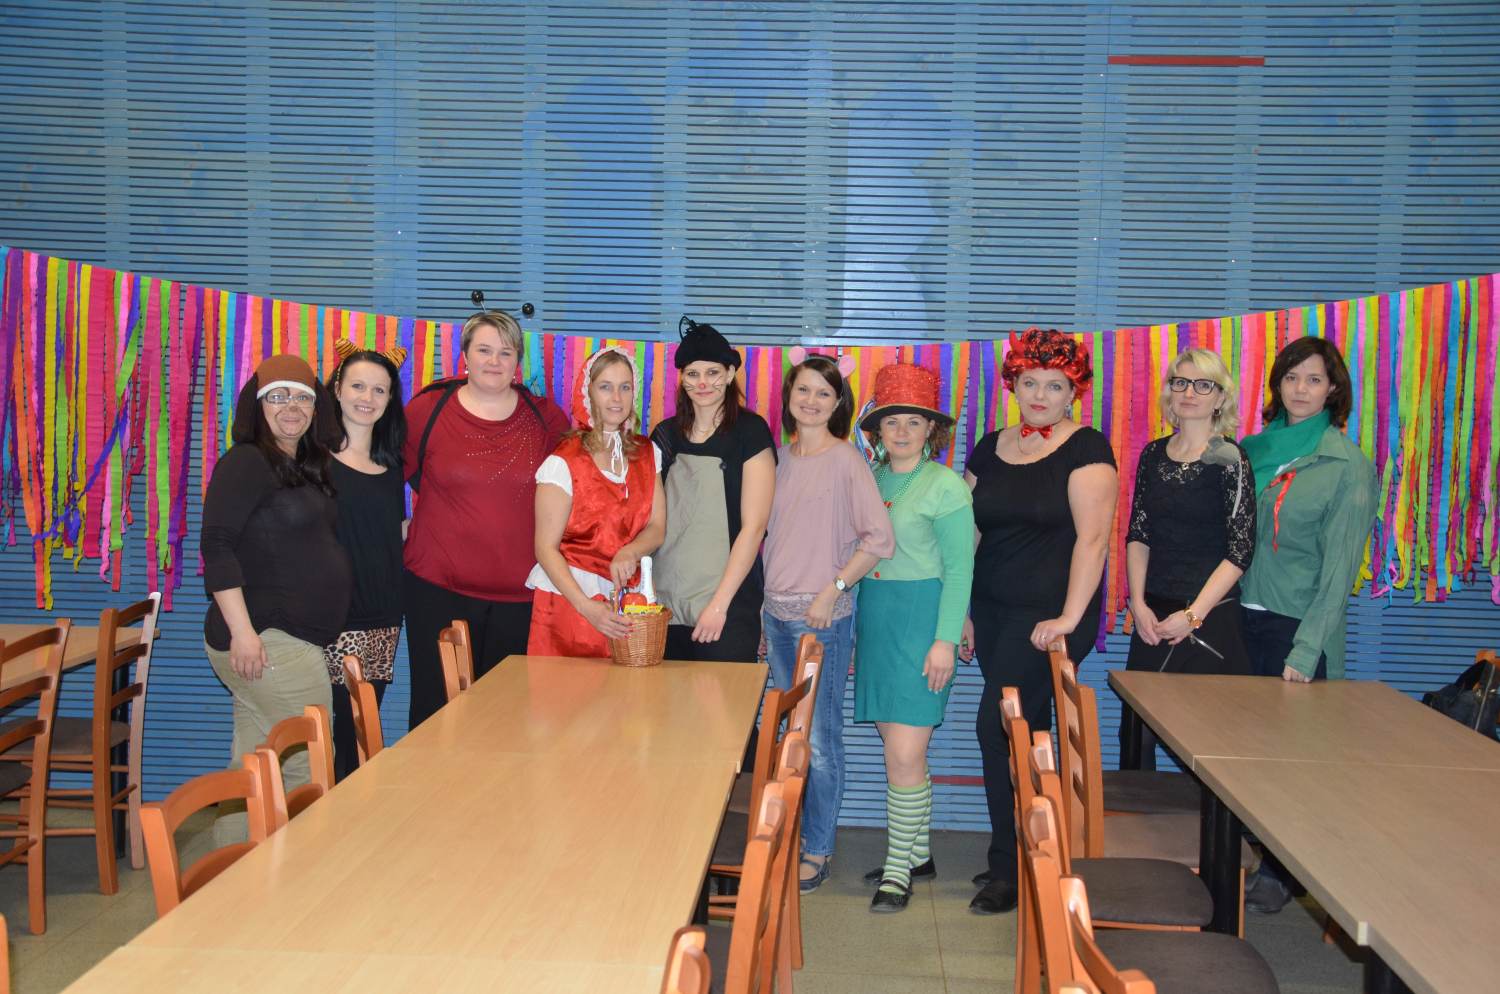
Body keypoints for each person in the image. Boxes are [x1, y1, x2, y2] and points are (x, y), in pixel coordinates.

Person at [961, 328, 1117, 915]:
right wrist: (961, 612)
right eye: (1030, 383)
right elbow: (968, 534)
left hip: (1049, 616)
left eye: (1055, 386)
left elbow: (1093, 540)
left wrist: (1069, 618)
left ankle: (1010, 866)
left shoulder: (1087, 448)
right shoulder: (990, 446)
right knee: (1029, 736)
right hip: (992, 612)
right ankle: (1035, 851)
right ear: (1014, 384)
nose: (1040, 396)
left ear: (1074, 391)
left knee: (998, 728)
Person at [1239, 335, 1376, 912]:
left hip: (1295, 628)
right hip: (1236, 620)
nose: (1301, 389)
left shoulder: (1346, 465)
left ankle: (1280, 872)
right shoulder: (1250, 450)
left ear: (1333, 389)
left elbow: (1339, 571)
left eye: (1314, 379)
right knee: (1239, 753)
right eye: (1292, 377)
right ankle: (1243, 856)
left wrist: (1305, 650)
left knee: (1288, 761)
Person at [201, 354, 350, 843]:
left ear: (316, 408)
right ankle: (298, 877)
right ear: (258, 405)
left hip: (280, 638)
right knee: (308, 767)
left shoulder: (302, 465)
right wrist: (244, 633)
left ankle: (230, 871)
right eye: (278, 396)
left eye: (302, 397)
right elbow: (216, 545)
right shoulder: (247, 461)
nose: (292, 407)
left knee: (254, 764)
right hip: (269, 639)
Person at [762, 351, 895, 893]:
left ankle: (817, 848)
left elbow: (879, 540)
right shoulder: (777, 460)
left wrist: (833, 590)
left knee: (818, 739)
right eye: (803, 390)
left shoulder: (846, 461)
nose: (811, 401)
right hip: (775, 618)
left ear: (838, 402)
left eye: (823, 392)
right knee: (788, 736)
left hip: (821, 621)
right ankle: (789, 836)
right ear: (788, 398)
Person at [402, 311, 568, 728]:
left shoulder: (546, 419)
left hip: (520, 599)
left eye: (505, 352)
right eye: (484, 350)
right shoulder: (426, 410)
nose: (494, 361)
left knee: (505, 724)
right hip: (437, 594)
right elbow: (383, 480)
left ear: (518, 362)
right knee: (436, 718)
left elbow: (571, 493)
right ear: (464, 355)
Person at [854, 362, 975, 914]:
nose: (901, 430)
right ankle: (919, 853)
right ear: (877, 428)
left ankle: (897, 871)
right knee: (900, 749)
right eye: (891, 420)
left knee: (904, 754)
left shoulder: (946, 485)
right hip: (877, 620)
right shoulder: (871, 478)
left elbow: (961, 569)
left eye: (914, 421)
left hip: (922, 622)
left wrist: (945, 639)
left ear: (932, 430)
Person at [1121, 348, 1256, 768]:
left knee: (1209, 746)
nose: (1189, 393)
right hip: (1153, 618)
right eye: (1180, 382)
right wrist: (1137, 603)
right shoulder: (1152, 454)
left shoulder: (1231, 458)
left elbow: (1240, 550)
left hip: (1210, 618)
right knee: (1135, 739)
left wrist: (1193, 615)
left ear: (1220, 397)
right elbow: (1139, 534)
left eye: (1202, 385)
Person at [650, 318, 775, 664]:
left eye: (713, 372)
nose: (703, 383)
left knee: (723, 698)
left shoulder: (751, 432)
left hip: (727, 606)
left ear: (731, 373)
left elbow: (754, 528)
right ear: (681, 378)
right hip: (667, 602)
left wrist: (719, 606)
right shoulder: (665, 435)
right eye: (693, 374)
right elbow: (651, 520)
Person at [528, 346, 666, 656]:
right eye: (605, 387)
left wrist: (630, 551)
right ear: (587, 393)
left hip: (627, 600)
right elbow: (545, 548)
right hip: (570, 602)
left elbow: (657, 527)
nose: (617, 398)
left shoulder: (647, 453)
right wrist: (586, 606)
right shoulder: (564, 462)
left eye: (625, 387)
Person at [323, 339, 408, 781]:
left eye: (379, 390)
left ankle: (356, 813)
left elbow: (391, 532)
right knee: (333, 734)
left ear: (390, 399)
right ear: (337, 389)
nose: (367, 398)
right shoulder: (314, 460)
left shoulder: (391, 465)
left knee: (363, 732)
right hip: (330, 620)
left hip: (382, 617)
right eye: (358, 386)